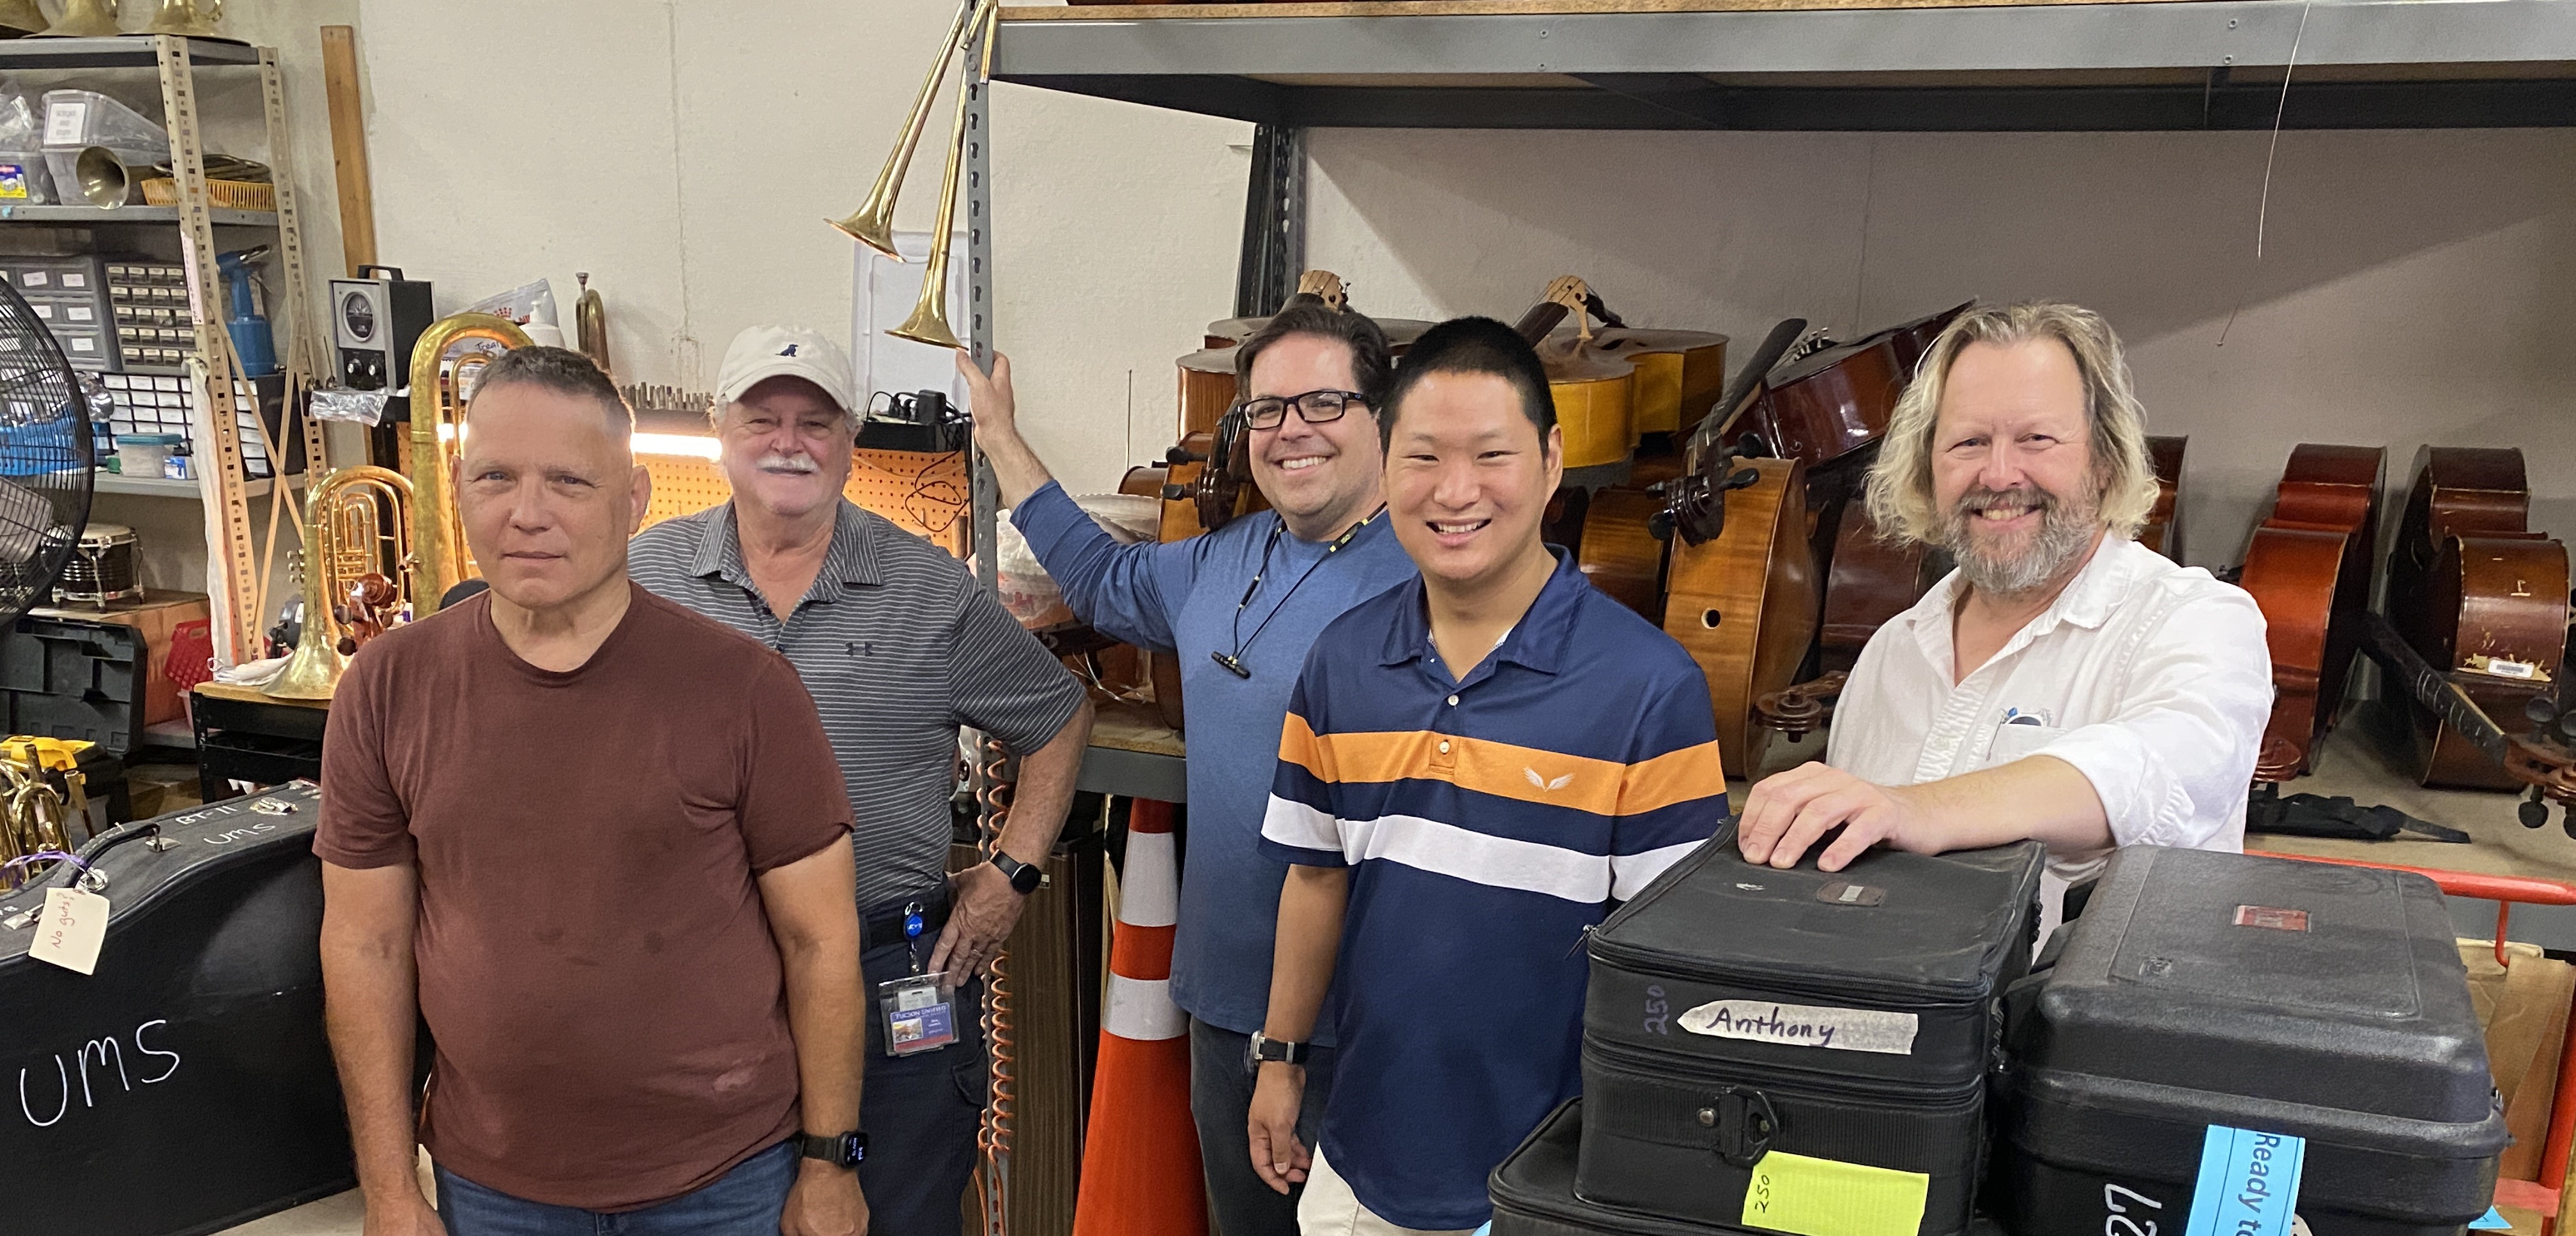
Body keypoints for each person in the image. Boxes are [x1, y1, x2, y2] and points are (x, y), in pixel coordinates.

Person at [315, 347, 868, 1236]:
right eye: (498, 475)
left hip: (725, 1179)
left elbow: (822, 942)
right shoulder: (385, 687)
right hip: (492, 1186)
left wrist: (832, 1160)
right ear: (460, 487)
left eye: (570, 481)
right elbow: (365, 945)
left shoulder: (746, 691)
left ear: (637, 499)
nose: (528, 514)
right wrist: (388, 1186)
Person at [1249, 317, 1731, 1235]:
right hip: (1359, 1162)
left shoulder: (1649, 688)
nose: (1455, 491)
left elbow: (1666, 977)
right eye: (1424, 456)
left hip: (1552, 1185)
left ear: (1552, 460)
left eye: (1492, 454)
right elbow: (1315, 876)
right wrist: (1280, 1059)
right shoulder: (1343, 661)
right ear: (1385, 463)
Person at [962, 301, 1417, 1236]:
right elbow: (1096, 577)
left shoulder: (1434, 573)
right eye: (1267, 408)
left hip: (1379, 1025)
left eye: (1324, 402)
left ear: (1385, 414)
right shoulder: (1222, 559)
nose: (1291, 429)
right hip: (1228, 1010)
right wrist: (1004, 440)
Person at [631, 325, 1092, 1235]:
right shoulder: (645, 576)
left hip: (892, 975)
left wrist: (1013, 875)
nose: (788, 441)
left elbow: (1057, 714)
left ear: (850, 440)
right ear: (722, 429)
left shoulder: (930, 587)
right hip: (701, 980)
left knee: (895, 1216)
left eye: (815, 421)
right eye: (763, 417)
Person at [1736, 301, 2270, 936]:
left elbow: (2146, 774)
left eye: (2036, 439)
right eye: (1968, 442)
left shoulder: (2199, 622)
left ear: (2104, 459)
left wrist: (1915, 810)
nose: (1998, 474)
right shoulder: (1892, 652)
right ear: (1929, 468)